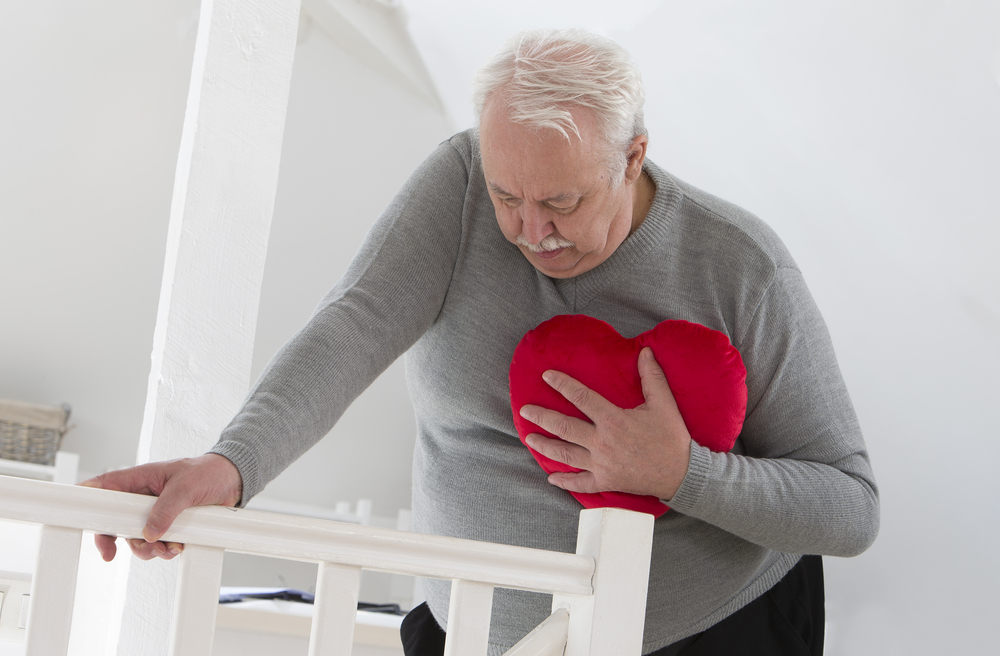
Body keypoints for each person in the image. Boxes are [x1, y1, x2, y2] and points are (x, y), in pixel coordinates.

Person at [84, 29, 879, 655]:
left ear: (633, 156)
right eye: (509, 196)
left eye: (562, 202)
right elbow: (353, 326)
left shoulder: (743, 266)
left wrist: (681, 473)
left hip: (709, 629)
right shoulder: (460, 183)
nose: (532, 232)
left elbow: (851, 510)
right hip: (467, 626)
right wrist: (233, 464)